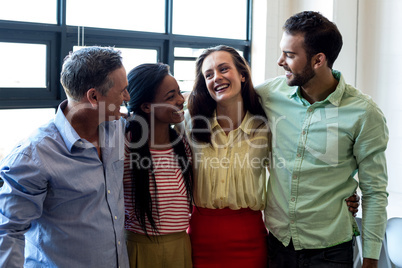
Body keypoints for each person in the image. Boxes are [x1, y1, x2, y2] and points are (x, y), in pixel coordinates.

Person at [255, 11, 388, 268]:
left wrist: (371, 259)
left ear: (318, 60)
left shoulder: (364, 113)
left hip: (331, 253)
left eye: (290, 55)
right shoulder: (269, 95)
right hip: (277, 246)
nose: (280, 61)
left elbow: (374, 191)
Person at [0, 46, 130, 267]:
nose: (127, 97)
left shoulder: (116, 129)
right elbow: (7, 232)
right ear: (94, 96)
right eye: (122, 91)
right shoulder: (33, 156)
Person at [184, 45, 270, 268]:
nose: (217, 78)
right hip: (199, 239)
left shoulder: (265, 127)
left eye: (224, 69)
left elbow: (289, 175)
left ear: (242, 75)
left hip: (250, 239)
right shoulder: (188, 123)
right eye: (209, 74)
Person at [123, 63, 193, 268]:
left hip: (180, 245)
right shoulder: (124, 147)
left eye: (179, 93)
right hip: (139, 247)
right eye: (170, 96)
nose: (181, 100)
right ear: (146, 106)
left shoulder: (183, 146)